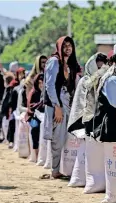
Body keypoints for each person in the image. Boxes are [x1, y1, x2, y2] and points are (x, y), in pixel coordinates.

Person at [43, 36, 79, 179]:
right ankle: (55, 170)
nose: (68, 48)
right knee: (57, 137)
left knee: (64, 137)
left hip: (66, 103)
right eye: (65, 46)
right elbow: (49, 86)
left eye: (70, 46)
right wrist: (57, 106)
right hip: (56, 104)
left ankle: (61, 168)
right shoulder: (54, 62)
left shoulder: (70, 64)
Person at [68, 52, 107, 137]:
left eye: (102, 68)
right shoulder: (85, 81)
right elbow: (80, 104)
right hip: (86, 123)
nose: (100, 71)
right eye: (98, 68)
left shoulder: (108, 81)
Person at [27, 73, 45, 160]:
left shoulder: (48, 92)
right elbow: (30, 106)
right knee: (35, 128)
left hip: (46, 116)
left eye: (43, 83)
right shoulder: (34, 92)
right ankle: (36, 153)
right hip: (34, 116)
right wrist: (40, 104)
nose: (41, 85)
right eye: (39, 83)